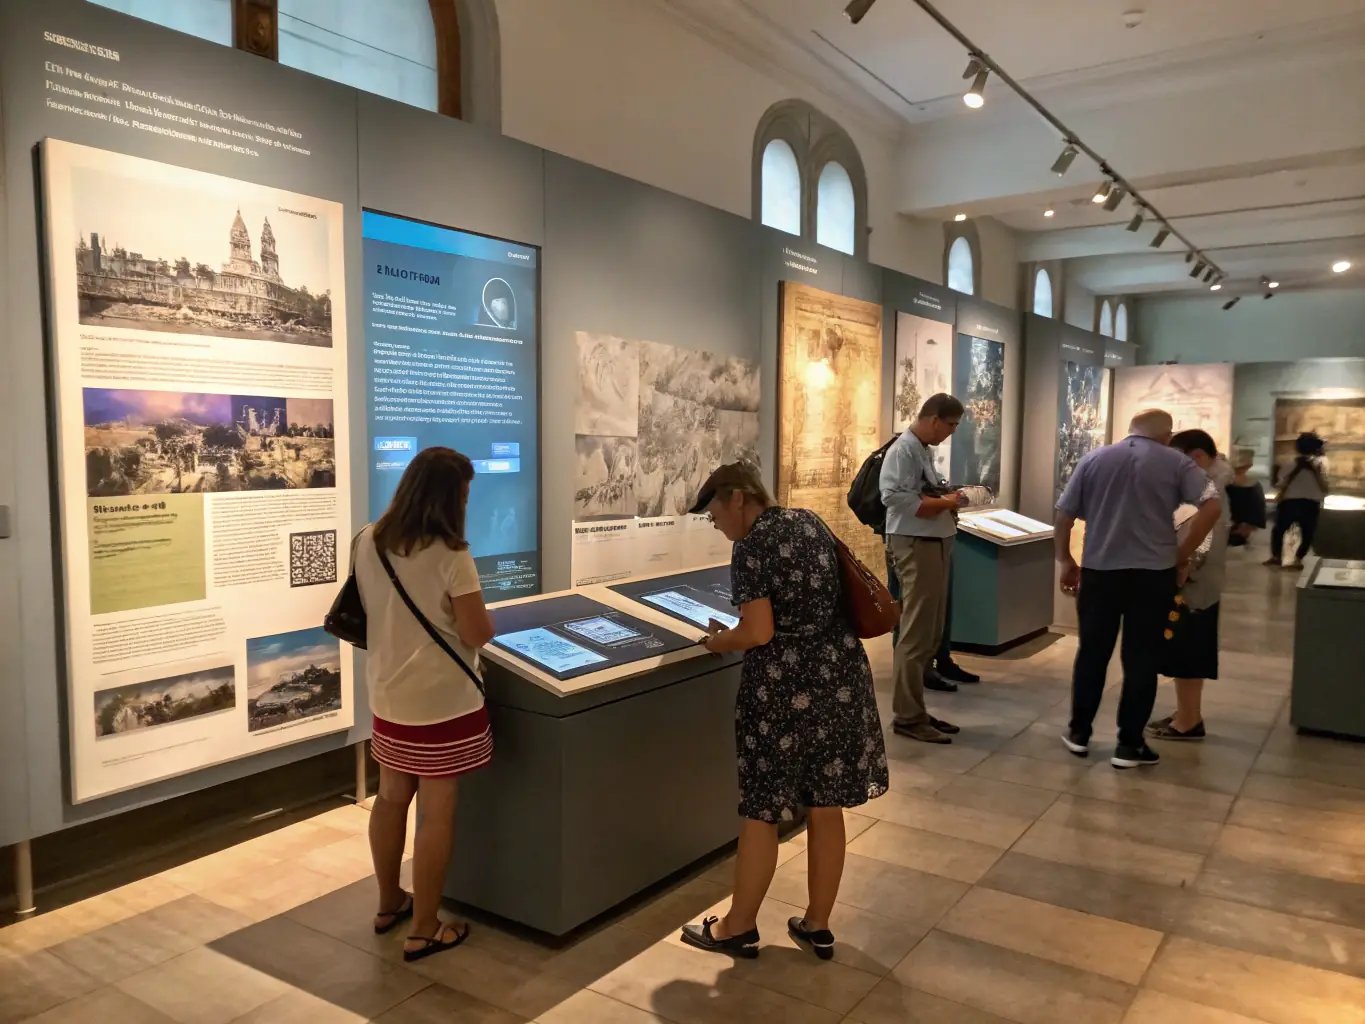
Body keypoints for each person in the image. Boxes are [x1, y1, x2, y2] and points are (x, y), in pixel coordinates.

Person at [680, 463, 888, 960]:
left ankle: (737, 925)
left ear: (736, 499)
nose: (716, 525)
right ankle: (817, 924)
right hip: (839, 680)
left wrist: (716, 642)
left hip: (781, 692)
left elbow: (759, 633)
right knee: (825, 802)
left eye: (713, 514)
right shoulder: (808, 521)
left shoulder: (750, 546)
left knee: (761, 808)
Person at [354, 447, 496, 962]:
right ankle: (425, 926)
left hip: (389, 698)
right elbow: (478, 632)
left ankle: (389, 902)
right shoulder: (451, 554)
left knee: (391, 797)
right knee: (437, 814)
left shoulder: (367, 540)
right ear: (449, 496)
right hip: (443, 706)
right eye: (463, 492)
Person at [1054, 409, 1220, 769]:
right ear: (1165, 435)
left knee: (1092, 653)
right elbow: (1212, 505)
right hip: (1153, 574)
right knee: (1141, 658)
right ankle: (1129, 745)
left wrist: (1066, 559)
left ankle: (1079, 734)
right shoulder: (1176, 462)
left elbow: (1064, 514)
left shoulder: (1094, 458)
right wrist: (1182, 553)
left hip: (1100, 572)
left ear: (1131, 432)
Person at [881, 393, 967, 744]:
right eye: (951, 425)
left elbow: (920, 491)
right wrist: (943, 503)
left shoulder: (921, 450)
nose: (950, 433)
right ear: (934, 420)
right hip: (916, 544)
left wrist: (947, 499)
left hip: (933, 541)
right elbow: (893, 496)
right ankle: (907, 715)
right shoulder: (903, 450)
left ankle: (916, 709)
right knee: (915, 633)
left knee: (930, 631)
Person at [1147, 430, 1232, 742]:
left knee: (1189, 652)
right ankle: (1186, 712)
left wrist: (1182, 567)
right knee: (1184, 650)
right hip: (1199, 583)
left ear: (1197, 457)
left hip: (1195, 587)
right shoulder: (1210, 485)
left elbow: (1204, 540)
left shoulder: (1210, 491)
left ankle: (1188, 721)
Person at [1267, 432, 1329, 569]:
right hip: (1311, 502)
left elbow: (1281, 482)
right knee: (1308, 532)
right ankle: (1297, 559)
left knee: (1280, 529)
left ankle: (1276, 556)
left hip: (1290, 501)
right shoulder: (1320, 463)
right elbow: (1324, 485)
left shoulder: (1290, 463)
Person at [1225, 451, 1267, 548]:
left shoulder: (1229, 480)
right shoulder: (1253, 482)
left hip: (1234, 516)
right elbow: (1258, 505)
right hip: (1238, 516)